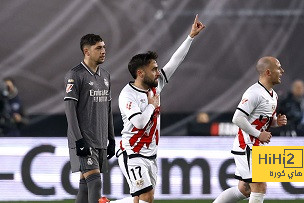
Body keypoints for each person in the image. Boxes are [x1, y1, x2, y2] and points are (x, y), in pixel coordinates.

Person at [104, 15, 205, 203]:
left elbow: (175, 62)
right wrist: (152, 105)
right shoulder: (128, 95)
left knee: (142, 200)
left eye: (157, 68)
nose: (158, 72)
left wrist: (190, 37)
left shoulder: (155, 86)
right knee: (146, 197)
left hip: (150, 155)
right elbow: (140, 123)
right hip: (132, 152)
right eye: (154, 69)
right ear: (140, 73)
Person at [213, 56, 287, 203]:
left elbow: (259, 120)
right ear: (268, 72)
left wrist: (276, 122)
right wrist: (259, 134)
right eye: (279, 68)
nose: (282, 71)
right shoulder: (254, 93)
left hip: (257, 147)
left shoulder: (274, 95)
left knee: (244, 189)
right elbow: (238, 118)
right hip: (247, 146)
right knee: (259, 186)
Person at [64, 34, 115, 203]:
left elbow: (107, 109)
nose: (103, 51)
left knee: (85, 186)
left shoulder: (105, 76)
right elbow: (69, 109)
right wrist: (78, 140)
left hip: (100, 139)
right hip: (83, 139)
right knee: (95, 183)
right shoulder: (75, 75)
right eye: (98, 48)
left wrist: (111, 139)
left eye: (104, 47)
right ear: (86, 51)